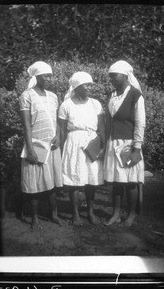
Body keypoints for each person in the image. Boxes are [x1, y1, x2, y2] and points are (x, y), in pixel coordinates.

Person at [19, 61, 63, 230]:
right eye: (46, 76)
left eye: (51, 76)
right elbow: (26, 125)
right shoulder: (27, 96)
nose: (49, 79)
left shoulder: (53, 96)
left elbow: (57, 121)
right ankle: (34, 218)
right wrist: (30, 149)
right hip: (36, 145)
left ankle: (54, 215)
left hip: (52, 146)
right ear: (37, 77)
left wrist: (58, 136)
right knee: (35, 183)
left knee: (51, 182)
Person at [59, 71, 105, 226]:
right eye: (86, 85)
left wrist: (102, 144)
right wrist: (61, 151)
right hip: (74, 144)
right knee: (75, 180)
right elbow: (63, 130)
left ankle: (90, 212)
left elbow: (102, 126)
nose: (89, 88)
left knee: (91, 180)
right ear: (77, 87)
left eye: (90, 85)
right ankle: (75, 215)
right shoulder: (66, 105)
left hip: (92, 142)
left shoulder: (95, 104)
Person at [104, 60, 146, 227]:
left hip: (128, 144)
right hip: (112, 143)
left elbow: (140, 122)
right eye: (110, 76)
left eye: (114, 75)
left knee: (130, 181)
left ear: (125, 75)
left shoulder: (135, 95)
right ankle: (115, 214)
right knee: (116, 181)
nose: (112, 79)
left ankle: (131, 215)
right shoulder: (112, 96)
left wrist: (137, 148)